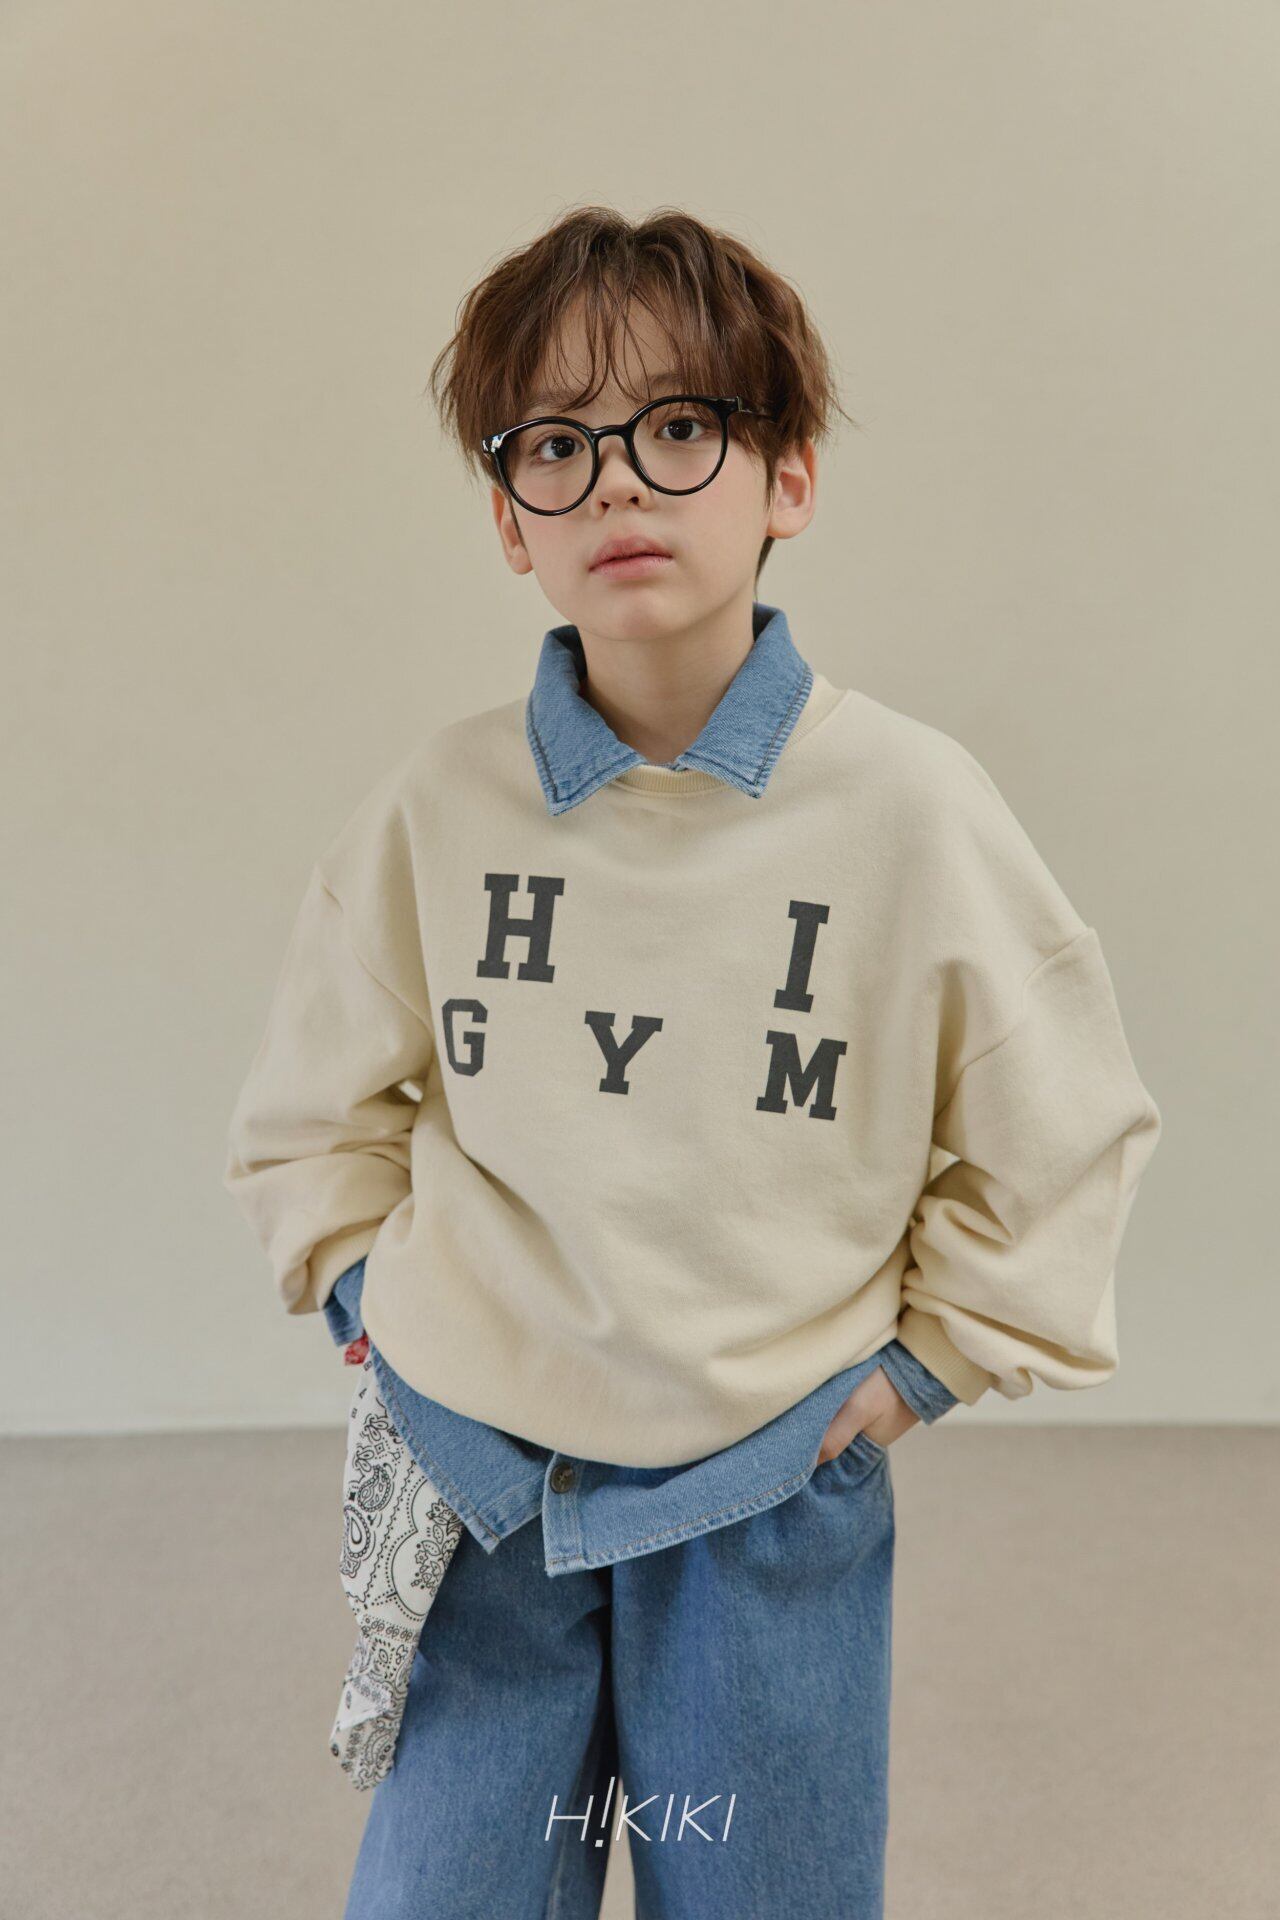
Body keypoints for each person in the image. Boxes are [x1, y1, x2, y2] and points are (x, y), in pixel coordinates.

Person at [223, 204, 1162, 1920]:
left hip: (767, 1481)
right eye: (556, 448)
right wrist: (372, 1307)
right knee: (446, 1889)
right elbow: (311, 1113)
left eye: (677, 428)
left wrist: (922, 1369)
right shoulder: (438, 806)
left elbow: (1064, 1121)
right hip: (482, 1477)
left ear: (786, 475)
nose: (617, 489)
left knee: (762, 1894)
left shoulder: (910, 807)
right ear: (507, 518)